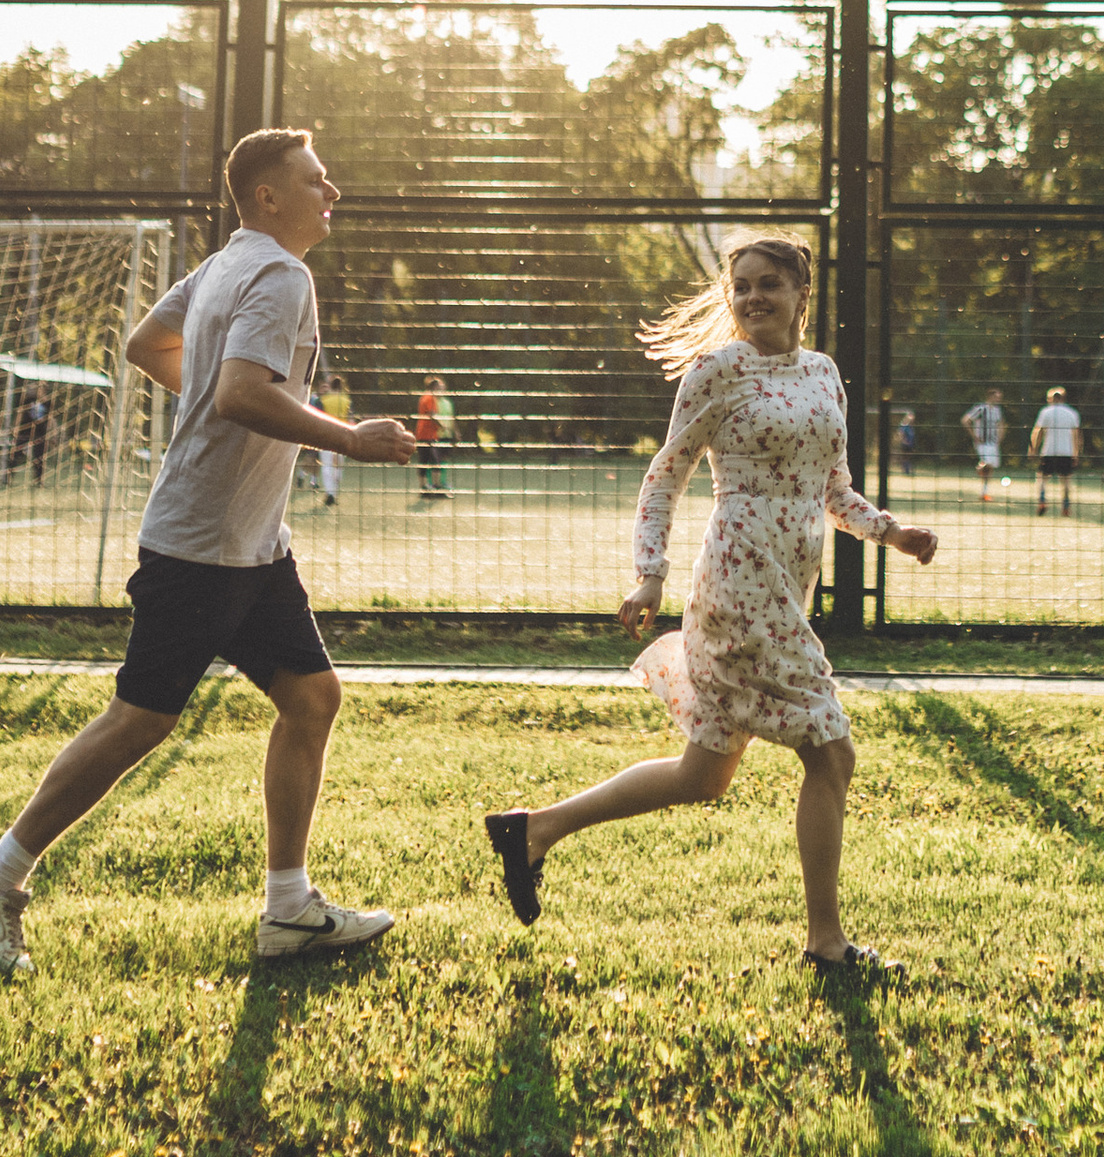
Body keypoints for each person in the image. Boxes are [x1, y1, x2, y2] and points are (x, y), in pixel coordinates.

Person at [0, 128, 416, 979]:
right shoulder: (278, 273)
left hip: (251, 548)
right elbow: (238, 393)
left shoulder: (225, 265)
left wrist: (216, 398)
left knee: (311, 699)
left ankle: (288, 908)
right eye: (318, 178)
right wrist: (351, 436)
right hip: (203, 547)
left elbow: (145, 347)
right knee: (141, 719)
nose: (332, 190)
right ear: (269, 196)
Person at [480, 238, 937, 973]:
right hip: (740, 578)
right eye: (743, 287)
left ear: (800, 295)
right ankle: (826, 943)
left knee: (704, 776)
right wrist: (649, 575)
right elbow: (665, 477)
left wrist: (893, 533)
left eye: (770, 286)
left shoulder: (824, 375)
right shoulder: (717, 371)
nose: (754, 298)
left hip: (790, 582)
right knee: (832, 754)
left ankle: (533, 830)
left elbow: (833, 491)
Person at [1030, 384, 1081, 516]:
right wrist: (1076, 453)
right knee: (1066, 481)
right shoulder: (1072, 413)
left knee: (1042, 478)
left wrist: (1033, 449)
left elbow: (1038, 432)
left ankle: (1042, 500)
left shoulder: (1045, 412)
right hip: (1066, 451)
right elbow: (1076, 435)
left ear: (1050, 399)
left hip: (1049, 451)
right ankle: (1065, 506)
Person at [314, 367, 353, 511]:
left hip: (326, 436)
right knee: (338, 466)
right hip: (342, 435)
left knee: (327, 466)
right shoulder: (346, 400)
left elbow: (317, 419)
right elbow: (351, 420)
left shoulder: (323, 400)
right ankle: (333, 493)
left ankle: (329, 493)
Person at [963, 385, 1005, 499]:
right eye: (997, 397)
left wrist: (1000, 438)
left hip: (993, 442)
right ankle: (979, 468)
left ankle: (984, 492)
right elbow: (966, 420)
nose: (999, 399)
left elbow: (1000, 424)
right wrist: (974, 436)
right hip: (982, 442)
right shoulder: (981, 408)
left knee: (990, 468)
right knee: (987, 464)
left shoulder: (997, 410)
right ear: (990, 396)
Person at [414, 373, 450, 505]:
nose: (442, 390)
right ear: (434, 388)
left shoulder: (426, 397)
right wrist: (443, 426)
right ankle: (435, 487)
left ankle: (426, 488)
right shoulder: (429, 398)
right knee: (434, 461)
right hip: (426, 435)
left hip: (426, 434)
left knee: (425, 460)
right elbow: (432, 415)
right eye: (440, 388)